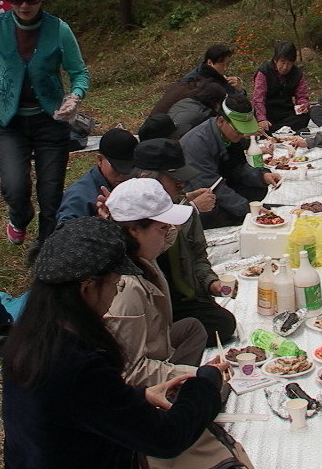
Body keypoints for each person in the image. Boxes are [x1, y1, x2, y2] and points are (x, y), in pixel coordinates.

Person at [1, 216, 226, 468]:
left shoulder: (31, 336)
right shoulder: (74, 363)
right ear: (86, 286)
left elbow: (79, 408)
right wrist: (205, 382)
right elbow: (165, 439)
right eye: (115, 284)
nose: (116, 292)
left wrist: (139, 396)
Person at [0, 0, 89, 250]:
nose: (25, 6)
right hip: (8, 122)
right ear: (9, 0)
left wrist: (74, 97)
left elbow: (79, 72)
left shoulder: (59, 29)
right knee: (14, 186)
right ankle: (20, 218)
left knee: (51, 194)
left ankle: (46, 248)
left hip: (49, 121)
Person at [130, 138, 237, 345]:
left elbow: (197, 255)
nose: (181, 184)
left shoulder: (183, 207)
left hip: (183, 299)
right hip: (150, 306)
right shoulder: (131, 218)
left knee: (223, 323)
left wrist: (211, 283)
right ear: (146, 178)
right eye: (174, 178)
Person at [105, 178, 209, 387]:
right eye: (162, 227)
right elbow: (131, 373)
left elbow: (167, 237)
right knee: (213, 387)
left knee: (193, 328)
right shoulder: (125, 289)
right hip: (136, 381)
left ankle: (180, 387)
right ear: (134, 230)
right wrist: (197, 374)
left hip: (154, 346)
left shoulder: (138, 250)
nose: (167, 233)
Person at [180, 95, 281, 229]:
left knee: (258, 188)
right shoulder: (197, 143)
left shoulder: (229, 136)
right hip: (198, 191)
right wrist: (246, 209)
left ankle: (239, 214)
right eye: (237, 130)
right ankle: (239, 216)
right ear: (221, 121)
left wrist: (262, 175)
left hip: (222, 183)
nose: (241, 135)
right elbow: (209, 185)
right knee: (209, 212)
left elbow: (237, 168)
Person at [57, 128, 137, 222]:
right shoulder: (80, 197)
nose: (124, 174)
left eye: (130, 168)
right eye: (117, 168)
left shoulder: (137, 182)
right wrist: (98, 223)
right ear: (100, 160)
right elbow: (65, 232)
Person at [252, 40, 310, 134]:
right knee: (262, 124)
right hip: (268, 112)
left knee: (305, 116)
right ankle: (280, 130)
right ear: (275, 60)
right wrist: (262, 119)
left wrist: (304, 105)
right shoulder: (264, 72)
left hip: (286, 112)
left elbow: (302, 95)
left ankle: (276, 131)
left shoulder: (297, 73)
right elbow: (258, 98)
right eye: (282, 62)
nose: (285, 67)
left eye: (289, 63)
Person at [179, 44, 245, 95]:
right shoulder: (190, 81)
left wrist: (239, 90)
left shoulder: (225, 79)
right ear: (210, 62)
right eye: (222, 65)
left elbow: (237, 105)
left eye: (227, 64)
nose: (225, 68)